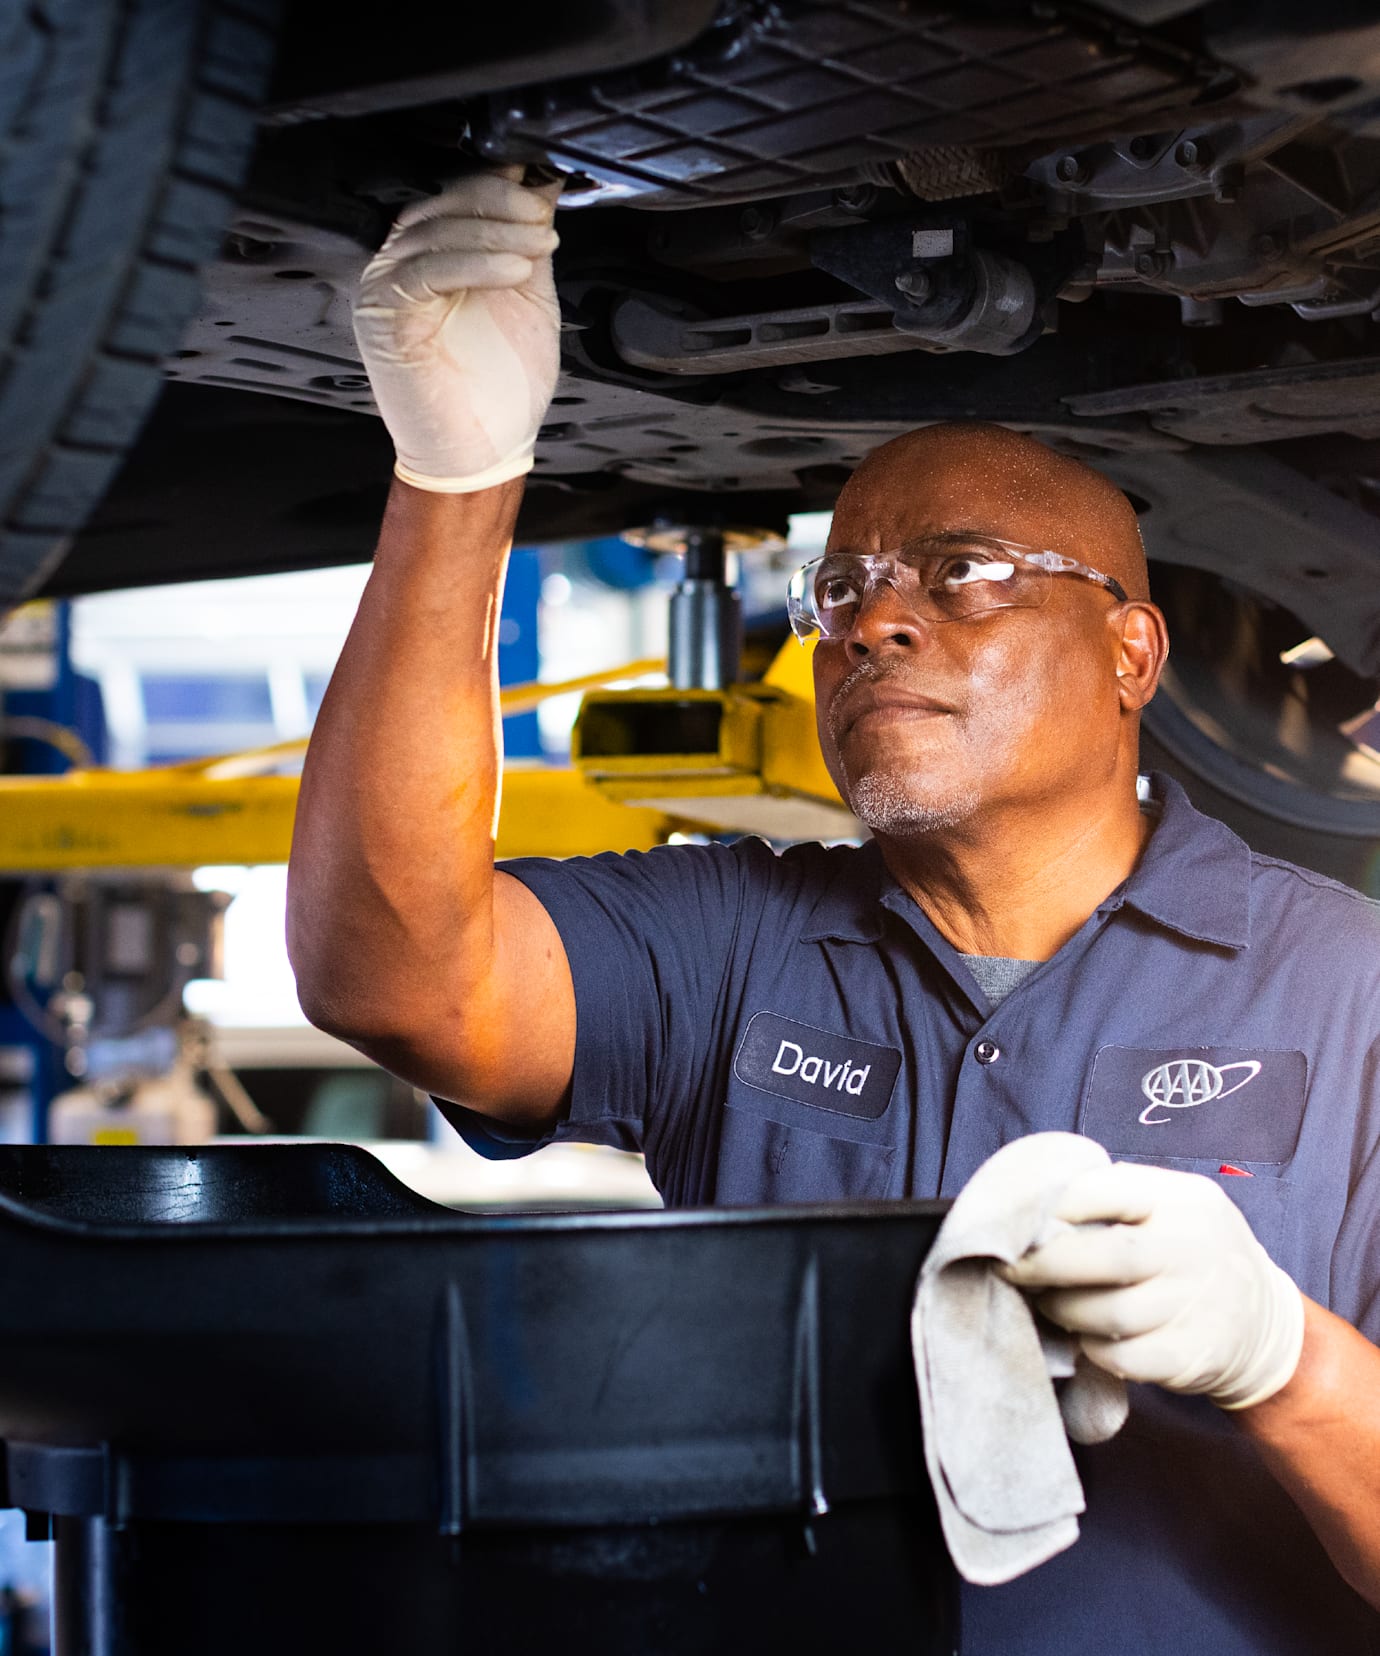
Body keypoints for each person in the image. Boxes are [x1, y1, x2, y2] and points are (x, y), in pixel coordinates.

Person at [286, 171, 1380, 1653]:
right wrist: (457, 476)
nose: (873, 621)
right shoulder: (738, 944)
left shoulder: (1347, 985)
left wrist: (1281, 1362)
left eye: (969, 574)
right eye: (842, 589)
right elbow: (392, 977)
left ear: (1132, 655)